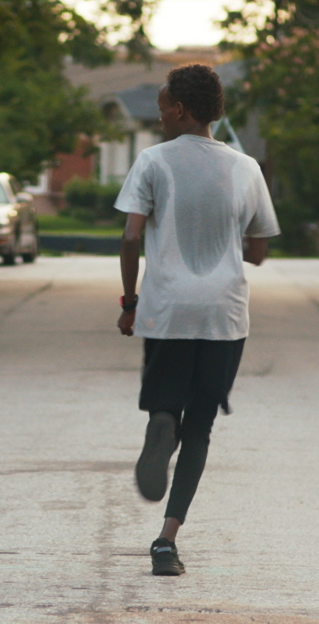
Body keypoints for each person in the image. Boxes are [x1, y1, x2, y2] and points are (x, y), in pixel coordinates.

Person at [115, 63, 279, 576]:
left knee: (166, 406)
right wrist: (229, 243)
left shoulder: (153, 162)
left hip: (166, 310)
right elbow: (258, 249)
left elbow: (130, 238)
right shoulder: (246, 168)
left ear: (181, 109)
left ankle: (161, 420)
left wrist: (128, 301)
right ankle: (167, 540)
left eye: (163, 107)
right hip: (223, 315)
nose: (159, 116)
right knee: (202, 427)